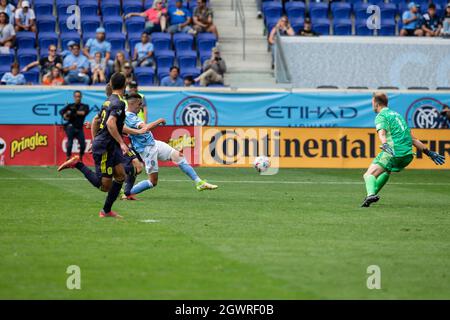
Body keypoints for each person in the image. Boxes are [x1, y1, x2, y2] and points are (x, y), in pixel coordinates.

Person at [57, 73, 146, 218]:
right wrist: (122, 143)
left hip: (108, 145)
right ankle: (78, 163)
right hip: (105, 146)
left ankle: (106, 211)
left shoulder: (108, 101)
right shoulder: (118, 103)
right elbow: (110, 123)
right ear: (124, 85)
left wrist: (94, 139)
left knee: (120, 176)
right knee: (104, 186)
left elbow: (97, 120)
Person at [124, 93, 218, 197]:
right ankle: (127, 193)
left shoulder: (131, 115)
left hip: (153, 144)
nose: (141, 106)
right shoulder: (130, 117)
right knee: (152, 182)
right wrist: (159, 120)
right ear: (132, 104)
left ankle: (199, 182)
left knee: (179, 156)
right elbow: (145, 128)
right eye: (139, 104)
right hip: (147, 150)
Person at [361, 92, 445, 207]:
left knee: (368, 175)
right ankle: (371, 196)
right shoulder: (398, 116)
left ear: (376, 103)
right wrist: (429, 153)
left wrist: (385, 144)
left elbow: (382, 132)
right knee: (386, 171)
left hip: (393, 152)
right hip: (407, 155)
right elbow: (413, 139)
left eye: (372, 103)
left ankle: (370, 195)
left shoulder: (381, 116)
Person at [59, 91, 90, 161]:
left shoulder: (84, 106)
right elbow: (61, 112)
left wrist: (71, 112)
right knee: (70, 143)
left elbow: (83, 113)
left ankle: (80, 157)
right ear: (74, 97)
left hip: (79, 128)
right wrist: (65, 115)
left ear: (81, 97)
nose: (77, 98)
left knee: (83, 145)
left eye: (79, 96)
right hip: (71, 126)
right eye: (76, 96)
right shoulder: (70, 106)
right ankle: (68, 158)